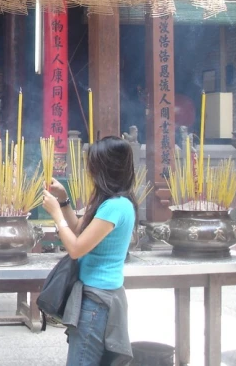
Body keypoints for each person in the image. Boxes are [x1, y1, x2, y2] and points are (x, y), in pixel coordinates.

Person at [42, 136, 137, 366]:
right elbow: (78, 230)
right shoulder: (109, 202)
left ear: (105, 168)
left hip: (97, 300)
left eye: (93, 164)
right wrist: (63, 201)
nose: (89, 170)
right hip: (97, 295)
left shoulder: (115, 206)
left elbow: (75, 248)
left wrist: (56, 215)